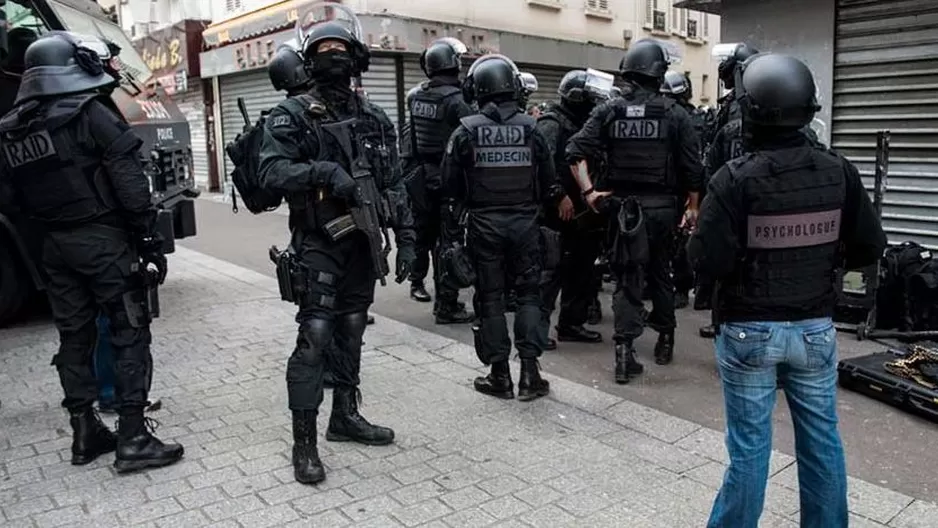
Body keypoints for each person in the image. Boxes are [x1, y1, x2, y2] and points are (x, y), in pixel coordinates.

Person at [688, 54, 886, 528]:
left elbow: (705, 260)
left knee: (750, 452)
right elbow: (868, 247)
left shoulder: (733, 178)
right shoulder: (839, 171)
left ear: (751, 111)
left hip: (748, 332)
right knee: (822, 444)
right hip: (815, 330)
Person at [0, 32, 183, 472]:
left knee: (75, 337)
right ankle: (134, 437)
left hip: (53, 245)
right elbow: (131, 184)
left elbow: (13, 194)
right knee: (129, 330)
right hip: (102, 241)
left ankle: (85, 433)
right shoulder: (90, 112)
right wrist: (149, 239)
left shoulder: (14, 125)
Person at [257, 19, 416, 485]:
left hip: (362, 244)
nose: (334, 57)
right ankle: (303, 444)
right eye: (324, 49)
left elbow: (394, 183)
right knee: (316, 337)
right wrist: (324, 172)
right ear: (310, 60)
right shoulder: (291, 114)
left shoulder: (375, 117)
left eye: (341, 49)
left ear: (357, 57)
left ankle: (344, 416)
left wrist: (406, 237)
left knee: (351, 329)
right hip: (319, 243)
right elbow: (271, 172)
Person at [566, 39, 704, 383]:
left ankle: (624, 353)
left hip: (623, 211)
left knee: (627, 277)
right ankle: (665, 340)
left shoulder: (608, 111)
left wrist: (589, 193)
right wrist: (693, 207)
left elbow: (575, 152)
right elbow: (692, 169)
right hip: (661, 210)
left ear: (628, 72)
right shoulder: (674, 114)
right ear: (659, 74)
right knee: (660, 272)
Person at [441, 54, 560, 401]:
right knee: (529, 296)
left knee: (490, 299)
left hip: (484, 226)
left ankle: (500, 376)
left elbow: (449, 188)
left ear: (478, 89)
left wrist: (454, 230)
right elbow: (549, 182)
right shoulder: (533, 127)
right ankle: (530, 374)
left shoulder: (465, 130)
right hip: (525, 225)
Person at [401, 37, 474, 324]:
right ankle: (447, 304)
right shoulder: (457, 100)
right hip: (447, 178)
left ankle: (417, 283)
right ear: (453, 64)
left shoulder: (417, 96)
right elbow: (472, 138)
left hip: (421, 176)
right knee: (450, 241)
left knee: (423, 235)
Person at [537, 70, 606, 350]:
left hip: (584, 210)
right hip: (558, 210)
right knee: (550, 272)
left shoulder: (587, 124)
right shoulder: (551, 123)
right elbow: (541, 166)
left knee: (582, 268)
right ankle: (538, 329)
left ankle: (571, 324)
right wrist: (558, 196)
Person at [659, 70, 708, 310]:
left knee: (679, 241)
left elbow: (694, 159)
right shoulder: (676, 116)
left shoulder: (687, 119)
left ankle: (680, 286)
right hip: (679, 187)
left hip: (680, 186)